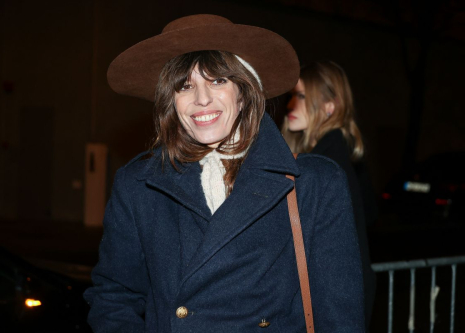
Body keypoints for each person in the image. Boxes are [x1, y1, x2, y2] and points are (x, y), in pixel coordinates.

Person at [84, 15, 364, 332]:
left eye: (218, 81)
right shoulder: (138, 184)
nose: (202, 99)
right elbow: (114, 297)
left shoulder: (314, 183)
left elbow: (340, 317)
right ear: (170, 101)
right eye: (185, 86)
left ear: (244, 92)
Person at [282, 60, 377, 329]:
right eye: (291, 96)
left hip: (332, 302)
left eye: (301, 96)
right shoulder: (340, 154)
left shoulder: (328, 163)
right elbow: (370, 213)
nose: (291, 104)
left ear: (330, 106)